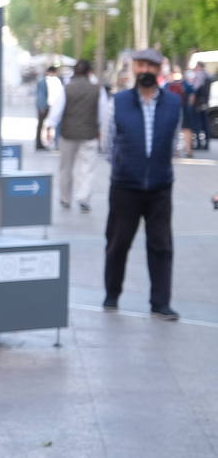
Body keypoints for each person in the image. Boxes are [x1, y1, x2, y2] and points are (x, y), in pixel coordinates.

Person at [103, 49, 182, 320]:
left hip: (160, 186)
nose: (145, 70)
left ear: (159, 70)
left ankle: (161, 303)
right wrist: (123, 167)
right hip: (126, 186)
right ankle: (112, 295)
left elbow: (173, 142)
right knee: (117, 243)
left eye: (151, 66)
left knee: (161, 245)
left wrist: (160, 166)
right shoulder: (119, 101)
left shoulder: (173, 103)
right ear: (133, 68)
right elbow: (108, 143)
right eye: (141, 65)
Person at [45, 59, 109, 212]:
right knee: (86, 168)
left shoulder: (67, 89)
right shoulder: (97, 89)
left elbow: (57, 110)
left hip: (68, 134)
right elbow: (104, 114)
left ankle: (65, 198)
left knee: (66, 167)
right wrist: (102, 132)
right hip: (89, 134)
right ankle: (83, 198)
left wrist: (50, 127)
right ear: (89, 72)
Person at [35, 65, 62, 150]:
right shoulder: (45, 81)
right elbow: (41, 95)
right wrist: (42, 106)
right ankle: (42, 143)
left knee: (42, 125)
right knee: (46, 124)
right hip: (47, 106)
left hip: (48, 106)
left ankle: (41, 143)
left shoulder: (46, 80)